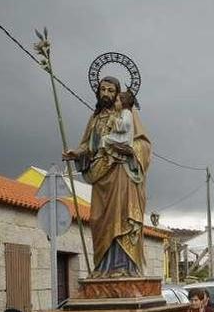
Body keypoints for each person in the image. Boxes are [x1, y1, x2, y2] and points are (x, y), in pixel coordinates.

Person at [62, 76, 151, 278]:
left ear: (117, 93)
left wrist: (129, 150)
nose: (106, 94)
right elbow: (88, 145)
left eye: (111, 91)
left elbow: (144, 144)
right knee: (99, 220)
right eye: (103, 89)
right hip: (100, 178)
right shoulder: (95, 119)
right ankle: (103, 268)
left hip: (122, 175)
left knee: (122, 218)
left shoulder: (127, 113)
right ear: (97, 91)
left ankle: (124, 267)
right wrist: (76, 153)